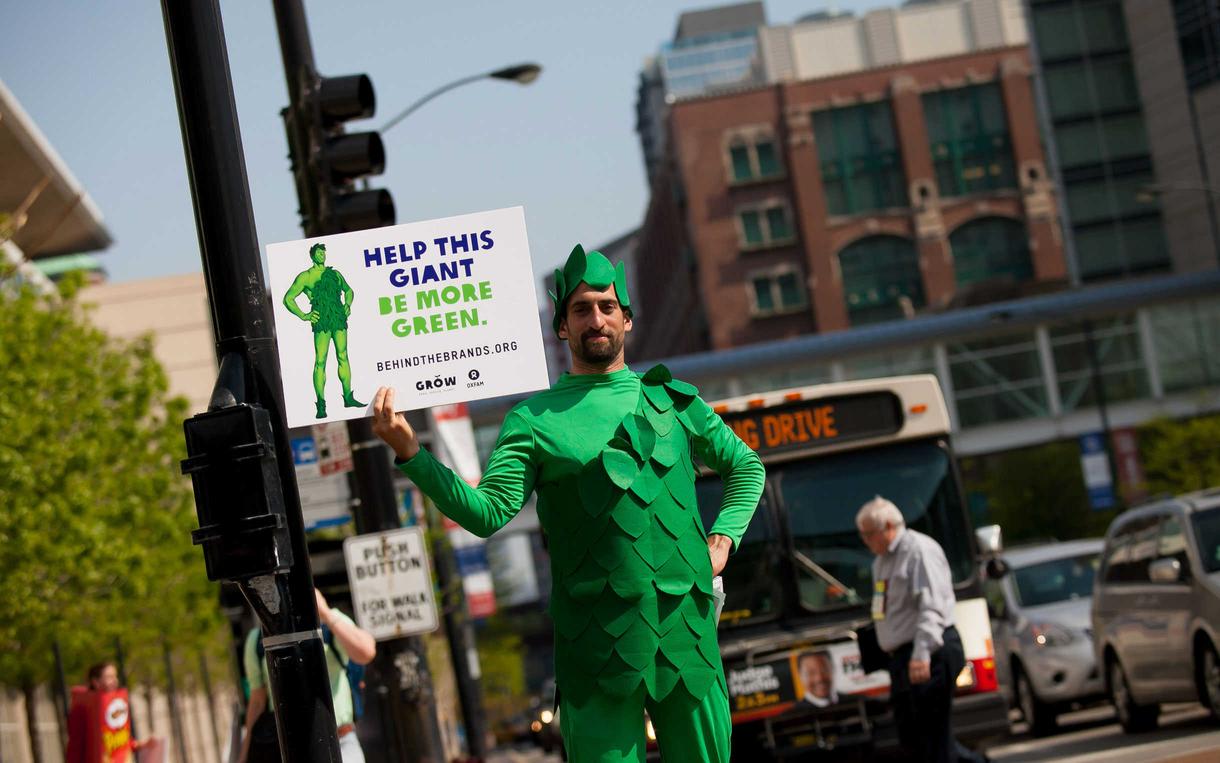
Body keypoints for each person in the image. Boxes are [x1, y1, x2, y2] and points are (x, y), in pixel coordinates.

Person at [371, 244, 765, 762]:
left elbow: (747, 467)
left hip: (686, 637)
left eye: (606, 306)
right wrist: (412, 453)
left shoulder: (675, 402)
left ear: (627, 318)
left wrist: (724, 537)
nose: (595, 319)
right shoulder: (532, 420)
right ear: (562, 326)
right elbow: (486, 514)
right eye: (581, 309)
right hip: (592, 648)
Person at [856, 497, 989, 763]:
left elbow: (932, 606)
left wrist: (921, 654)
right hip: (903, 658)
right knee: (914, 740)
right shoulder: (881, 562)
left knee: (933, 740)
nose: (866, 541)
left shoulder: (918, 551)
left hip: (930, 653)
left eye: (869, 534)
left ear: (889, 526)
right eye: (863, 535)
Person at [238, 589, 376, 763]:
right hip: (290, 748)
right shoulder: (258, 639)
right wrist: (244, 755)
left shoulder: (330, 625)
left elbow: (366, 652)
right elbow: (257, 701)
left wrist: (325, 613)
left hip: (341, 741)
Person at [282, 242, 365, 418]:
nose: (322, 255)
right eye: (319, 253)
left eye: (323, 252)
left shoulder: (335, 273)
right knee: (321, 359)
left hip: (338, 317)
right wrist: (303, 315)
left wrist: (348, 304)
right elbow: (288, 298)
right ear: (312, 256)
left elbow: (349, 290)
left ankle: (348, 397)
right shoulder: (306, 276)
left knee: (343, 355)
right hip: (321, 320)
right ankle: (321, 405)